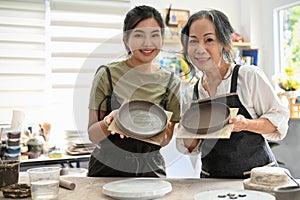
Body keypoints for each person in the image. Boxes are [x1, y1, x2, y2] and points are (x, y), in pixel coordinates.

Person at [176, 9, 289, 178]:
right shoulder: (191, 93)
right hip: (211, 180)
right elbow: (191, 148)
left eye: (209, 40)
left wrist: (246, 124)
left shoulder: (248, 76)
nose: (200, 49)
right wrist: (188, 130)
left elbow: (279, 123)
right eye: (193, 41)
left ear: (223, 43)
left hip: (257, 180)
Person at [87, 5, 181, 177]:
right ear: (126, 38)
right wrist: (113, 121)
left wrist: (156, 129)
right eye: (139, 35)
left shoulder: (171, 82)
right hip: (107, 169)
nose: (148, 43)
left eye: (155, 35)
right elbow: (93, 134)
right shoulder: (106, 75)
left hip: (151, 170)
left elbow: (166, 139)